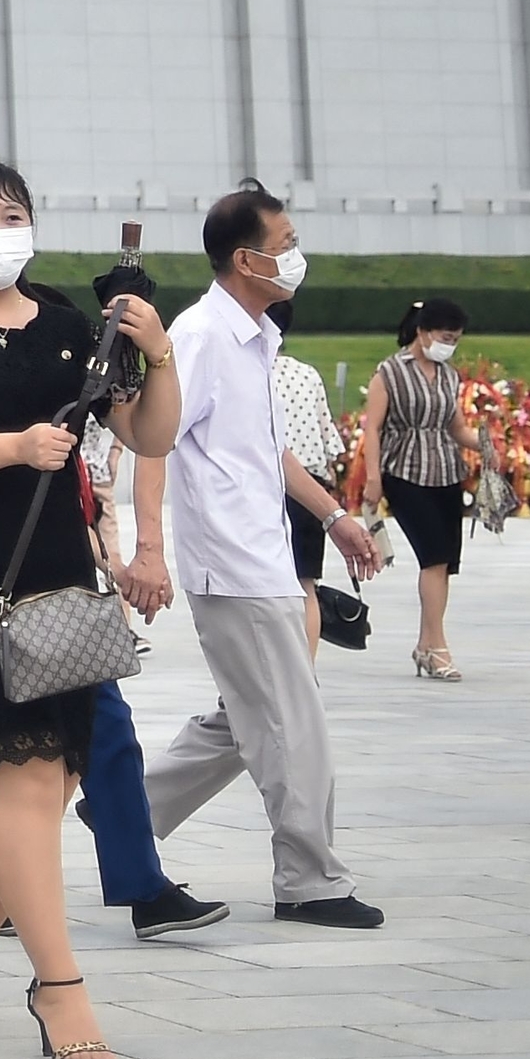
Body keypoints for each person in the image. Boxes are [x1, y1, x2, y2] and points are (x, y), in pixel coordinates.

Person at [0, 155, 183, 1059]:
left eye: (9, 212)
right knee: (22, 773)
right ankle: (60, 986)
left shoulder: (70, 328)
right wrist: (16, 446)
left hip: (56, 567)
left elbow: (151, 434)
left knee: (49, 782)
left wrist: (158, 350)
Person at [136, 184, 385, 927]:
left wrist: (334, 514)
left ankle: (124, 813)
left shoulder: (255, 335)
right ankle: (311, 882)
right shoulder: (201, 336)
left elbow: (263, 450)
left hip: (266, 553)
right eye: (285, 244)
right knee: (290, 721)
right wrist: (149, 547)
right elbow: (155, 439)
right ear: (245, 259)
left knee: (249, 717)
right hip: (233, 562)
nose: (295, 257)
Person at [0, 401, 230, 943]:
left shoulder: (68, 345)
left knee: (107, 726)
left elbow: (146, 437)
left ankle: (143, 887)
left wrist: (114, 549)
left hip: (60, 555)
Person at [356, 298, 481, 681]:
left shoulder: (448, 375)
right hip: (404, 471)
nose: (450, 345)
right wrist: (373, 478)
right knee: (433, 557)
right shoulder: (390, 372)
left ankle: (427, 645)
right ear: (424, 332)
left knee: (444, 564)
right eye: (446, 337)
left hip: (445, 470)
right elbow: (372, 427)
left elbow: (456, 427)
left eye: (456, 339)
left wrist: (487, 443)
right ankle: (438, 646)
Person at [274, 335, 353, 656]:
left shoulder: (248, 372)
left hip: (263, 487)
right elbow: (329, 440)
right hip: (311, 486)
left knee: (264, 587)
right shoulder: (306, 373)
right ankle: (306, 669)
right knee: (306, 584)